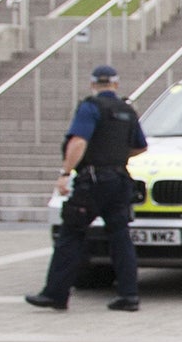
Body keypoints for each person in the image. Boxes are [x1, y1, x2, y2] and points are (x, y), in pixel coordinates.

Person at [26, 64, 147, 312]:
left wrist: (65, 173)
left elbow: (79, 141)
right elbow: (140, 147)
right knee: (120, 237)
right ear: (115, 84)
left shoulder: (90, 107)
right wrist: (116, 156)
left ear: (93, 84)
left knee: (71, 234)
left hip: (92, 182)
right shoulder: (127, 110)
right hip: (120, 180)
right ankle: (129, 295)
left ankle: (55, 294)